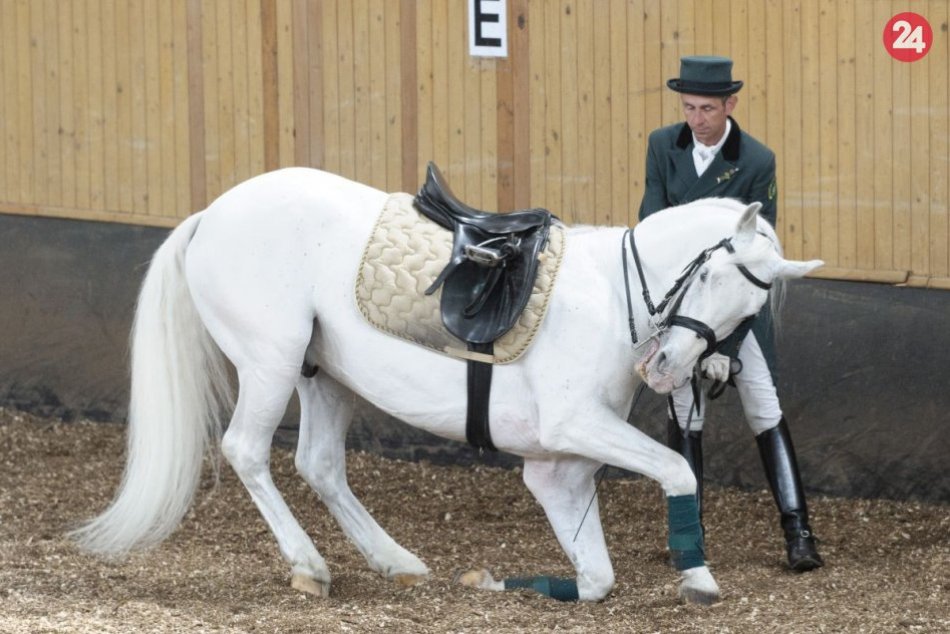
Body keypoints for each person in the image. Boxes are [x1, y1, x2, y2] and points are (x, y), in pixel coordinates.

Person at [638, 55, 823, 571]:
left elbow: (759, 254)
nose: (696, 119)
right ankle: (689, 537)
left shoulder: (757, 160)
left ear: (730, 105)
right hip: (684, 310)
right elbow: (652, 226)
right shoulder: (662, 146)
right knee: (685, 414)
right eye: (689, 107)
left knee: (764, 409)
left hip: (737, 314)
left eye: (707, 109)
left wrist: (727, 346)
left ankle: (799, 532)